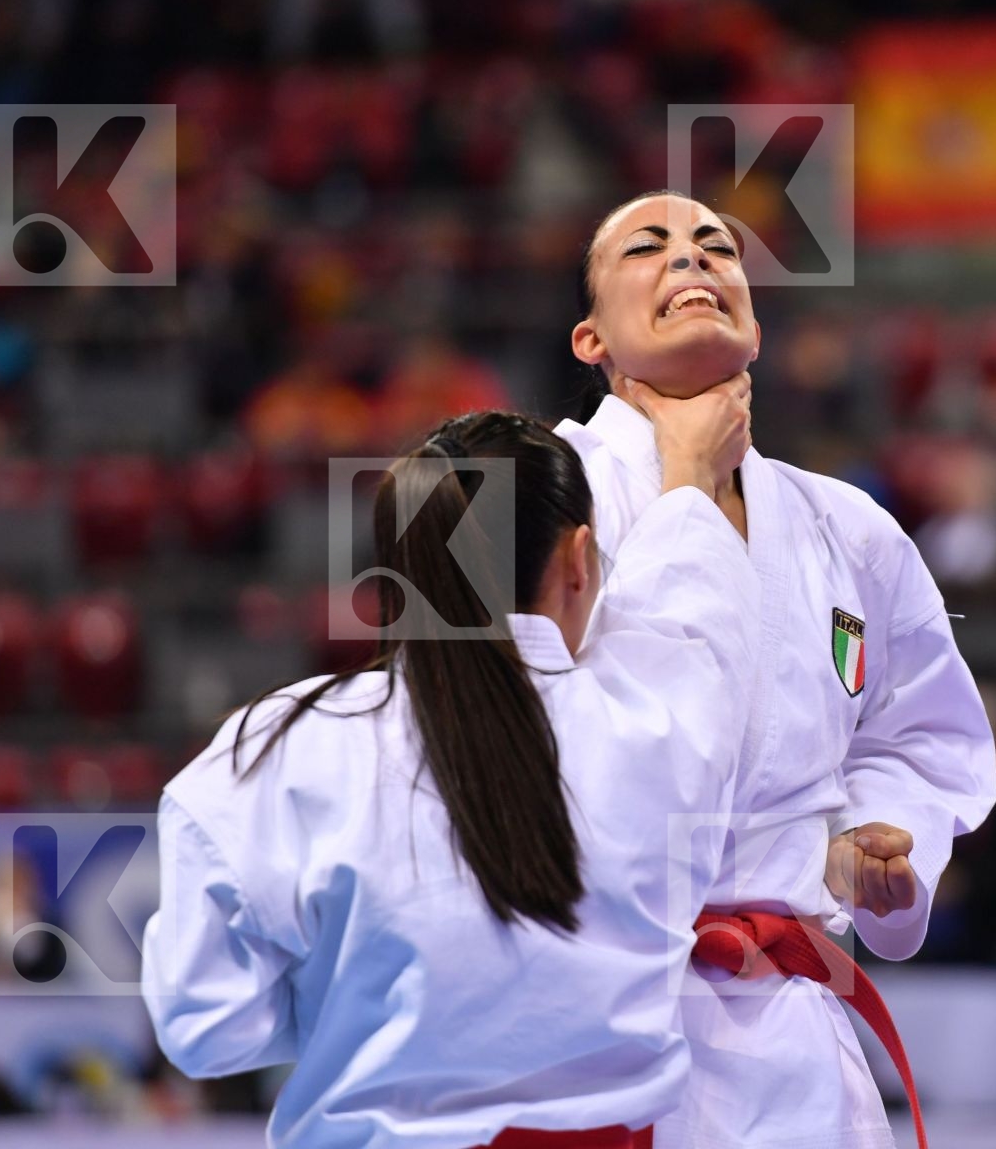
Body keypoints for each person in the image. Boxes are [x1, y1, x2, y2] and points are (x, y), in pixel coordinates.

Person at [142, 393, 759, 1149]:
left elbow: (204, 1027)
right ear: (578, 560)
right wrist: (692, 469)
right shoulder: (663, 719)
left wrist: (366, 989)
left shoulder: (278, 745)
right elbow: (692, 602)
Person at [561, 190, 996, 1148]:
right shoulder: (527, 494)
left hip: (793, 1033)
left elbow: (916, 734)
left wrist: (872, 843)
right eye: (651, 247)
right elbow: (505, 726)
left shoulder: (848, 527)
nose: (692, 260)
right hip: (598, 1011)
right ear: (591, 340)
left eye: (717, 246)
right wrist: (683, 489)